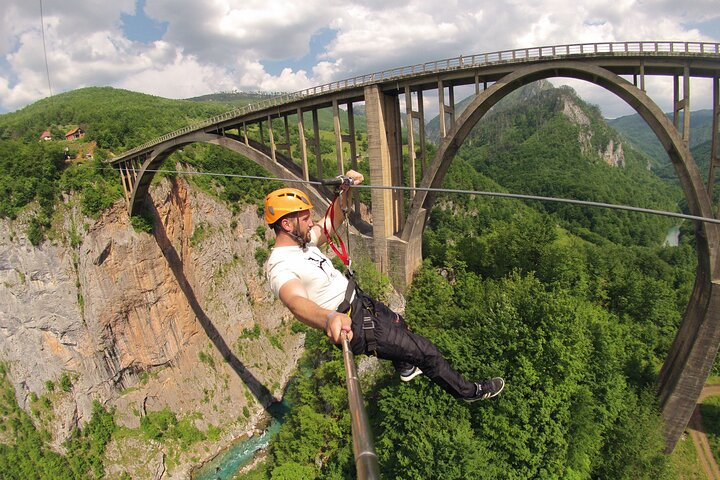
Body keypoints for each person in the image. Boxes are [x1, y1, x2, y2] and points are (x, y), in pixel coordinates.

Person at [264, 170, 504, 402]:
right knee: (426, 351)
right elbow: (296, 302)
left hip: (360, 302)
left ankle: (405, 366)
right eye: (305, 218)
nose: (310, 222)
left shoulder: (304, 243)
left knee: (400, 322)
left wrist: (345, 191)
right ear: (287, 224)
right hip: (352, 323)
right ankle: (470, 392)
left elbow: (330, 221)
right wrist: (328, 319)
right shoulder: (280, 265)